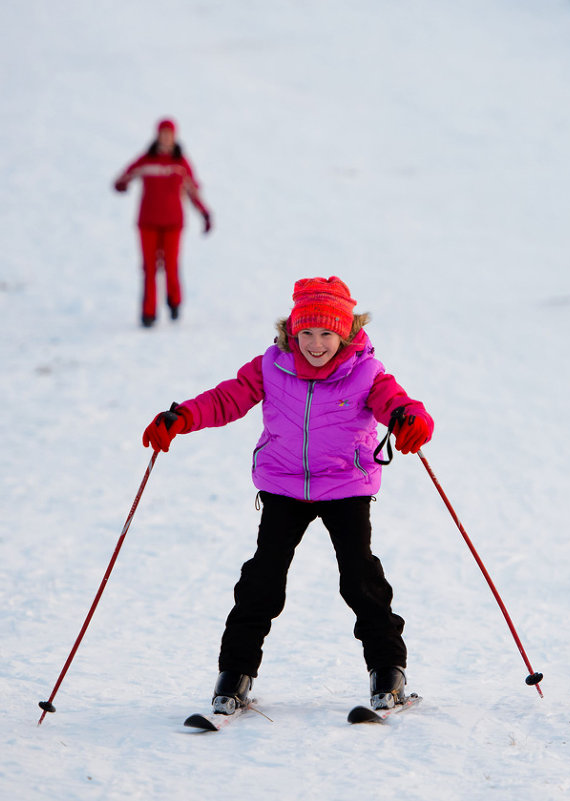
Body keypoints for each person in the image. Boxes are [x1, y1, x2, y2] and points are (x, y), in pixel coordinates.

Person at [141, 276, 434, 713]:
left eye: (327, 334)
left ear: (346, 333)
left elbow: (397, 403)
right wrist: (181, 417)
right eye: (307, 334)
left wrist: (412, 420)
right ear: (291, 332)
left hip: (344, 487)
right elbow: (227, 399)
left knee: (360, 579)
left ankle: (388, 670)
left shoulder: (365, 372)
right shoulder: (271, 367)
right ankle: (234, 676)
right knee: (262, 579)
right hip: (284, 485)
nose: (316, 344)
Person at [113, 118, 212, 328]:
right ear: (157, 135)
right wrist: (121, 185)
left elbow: (193, 190)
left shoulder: (180, 163)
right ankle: (148, 313)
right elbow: (125, 176)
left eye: (170, 134)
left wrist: (204, 213)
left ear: (174, 137)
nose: (166, 138)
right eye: (163, 133)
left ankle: (174, 302)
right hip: (147, 222)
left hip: (173, 223)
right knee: (149, 268)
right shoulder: (146, 160)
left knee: (171, 265)